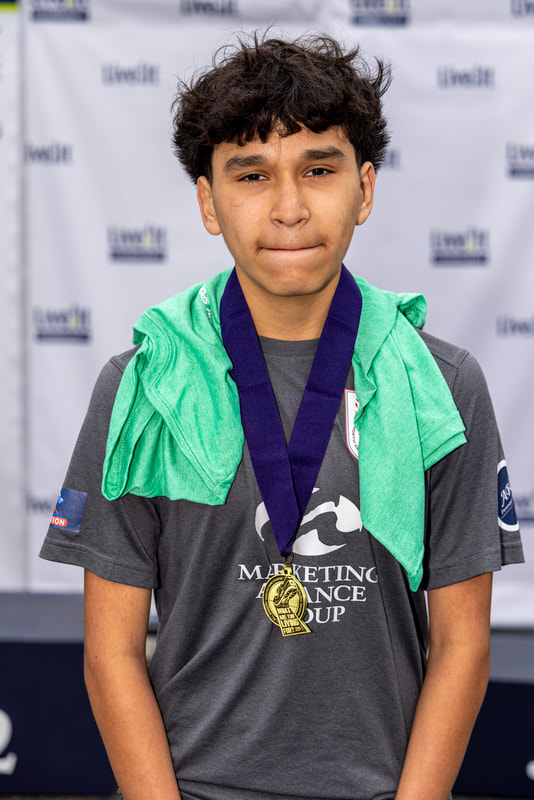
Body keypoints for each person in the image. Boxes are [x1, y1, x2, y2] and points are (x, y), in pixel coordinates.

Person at [40, 33, 524, 800]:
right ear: (208, 202)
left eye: (319, 171)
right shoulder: (146, 385)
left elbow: (463, 645)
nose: (290, 208)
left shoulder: (441, 384)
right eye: (252, 175)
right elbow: (111, 653)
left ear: (365, 190)